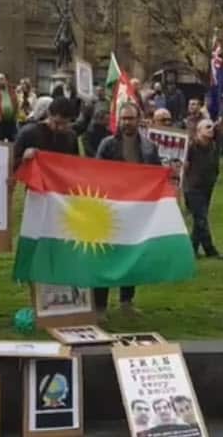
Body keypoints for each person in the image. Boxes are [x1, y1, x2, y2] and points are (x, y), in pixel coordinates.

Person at [94, 102, 161, 318]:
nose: (126, 123)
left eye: (130, 119)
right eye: (123, 119)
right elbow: (95, 174)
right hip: (111, 210)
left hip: (137, 211)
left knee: (132, 257)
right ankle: (101, 306)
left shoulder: (150, 148)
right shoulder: (107, 145)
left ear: (138, 120)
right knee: (106, 259)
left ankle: (126, 302)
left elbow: (157, 176)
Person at [184, 119, 223, 259]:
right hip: (193, 188)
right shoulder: (191, 146)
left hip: (207, 186)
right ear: (199, 130)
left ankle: (192, 249)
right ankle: (210, 250)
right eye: (207, 127)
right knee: (201, 219)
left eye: (212, 127)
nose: (211, 129)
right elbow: (184, 165)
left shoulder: (213, 146)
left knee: (199, 220)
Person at [13, 97, 80, 171]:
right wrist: (23, 158)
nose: (60, 127)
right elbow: (11, 164)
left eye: (65, 124)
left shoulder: (71, 137)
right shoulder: (29, 133)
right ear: (48, 114)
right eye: (57, 123)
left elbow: (74, 166)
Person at [0, 73, 19, 141]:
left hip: (11, 121)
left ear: (6, 81)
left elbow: (16, 103)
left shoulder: (12, 91)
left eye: (1, 79)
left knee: (13, 140)